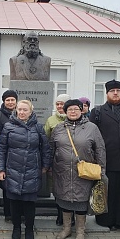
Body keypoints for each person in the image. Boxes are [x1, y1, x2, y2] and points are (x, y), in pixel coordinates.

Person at [50, 99, 106, 239]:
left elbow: (100, 149)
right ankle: (66, 229)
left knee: (81, 202)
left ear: (82, 110)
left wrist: (101, 169)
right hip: (62, 171)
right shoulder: (58, 128)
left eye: (76, 109)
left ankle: (80, 231)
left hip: (83, 172)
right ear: (65, 111)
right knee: (64, 199)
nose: (73, 112)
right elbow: (52, 148)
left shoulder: (92, 128)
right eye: (70, 110)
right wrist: (50, 166)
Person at [0, 100, 51, 239]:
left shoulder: (38, 127)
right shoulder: (8, 126)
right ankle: (16, 228)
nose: (21, 112)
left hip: (32, 170)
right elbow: (2, 149)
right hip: (13, 170)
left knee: (29, 204)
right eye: (19, 109)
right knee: (14, 203)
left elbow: (45, 148)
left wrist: (45, 166)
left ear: (31, 111)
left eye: (24, 110)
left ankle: (28, 229)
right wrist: (1, 169)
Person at [89, 80, 120, 230]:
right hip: (106, 160)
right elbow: (91, 136)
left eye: (118, 90)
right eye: (112, 91)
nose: (115, 93)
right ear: (107, 93)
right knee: (106, 191)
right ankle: (105, 220)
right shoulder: (97, 112)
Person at [44, 93, 73, 227]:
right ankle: (60, 214)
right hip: (57, 160)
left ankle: (70, 216)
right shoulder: (51, 120)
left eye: (62, 104)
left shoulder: (74, 118)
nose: (60, 106)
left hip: (72, 161)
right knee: (58, 189)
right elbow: (47, 140)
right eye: (58, 104)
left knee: (71, 189)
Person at [0, 89, 18, 222]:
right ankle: (8, 213)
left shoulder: (21, 113)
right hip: (5, 153)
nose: (10, 102)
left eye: (12, 99)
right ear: (4, 101)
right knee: (7, 185)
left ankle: (19, 214)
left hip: (19, 154)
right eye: (8, 100)